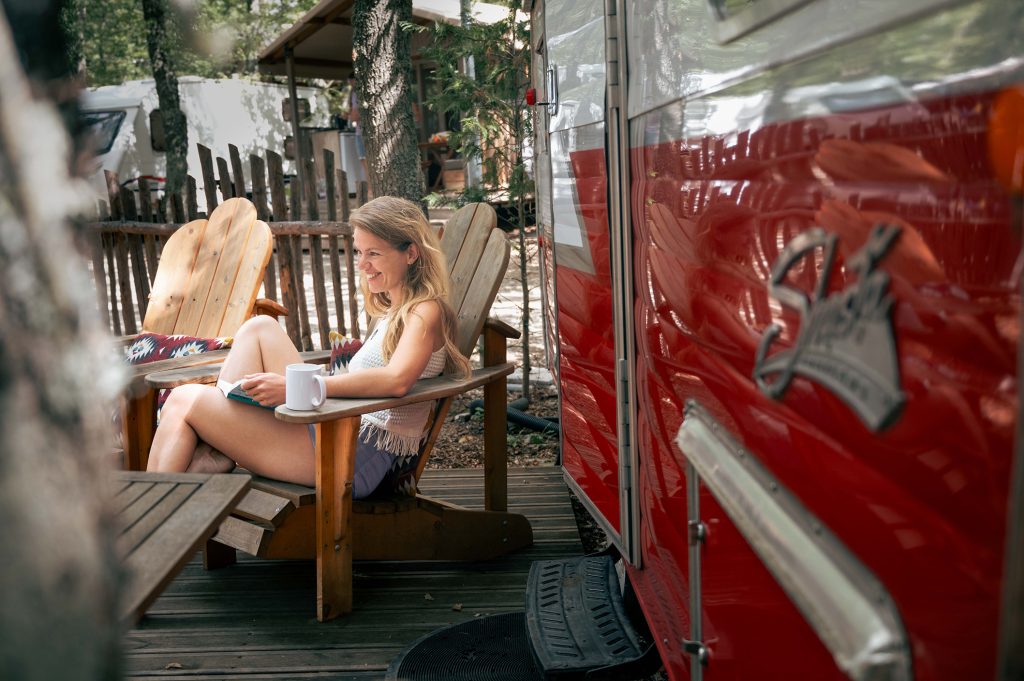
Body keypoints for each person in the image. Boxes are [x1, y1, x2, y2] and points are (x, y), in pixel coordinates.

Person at [146, 196, 471, 498]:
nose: (362, 264)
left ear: (411, 253)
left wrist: (303, 389)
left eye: (374, 253)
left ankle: (154, 517)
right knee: (260, 327)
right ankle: (217, 450)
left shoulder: (425, 311)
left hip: (351, 455)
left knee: (184, 400)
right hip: (335, 429)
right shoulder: (395, 312)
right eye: (359, 252)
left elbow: (397, 380)